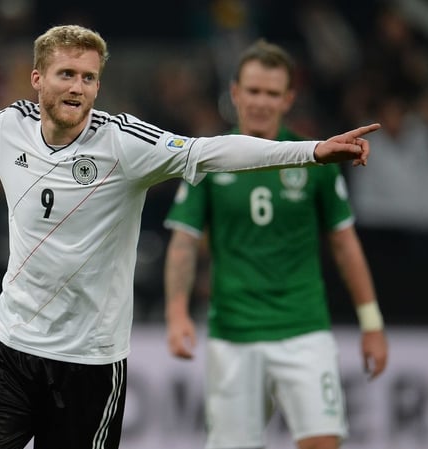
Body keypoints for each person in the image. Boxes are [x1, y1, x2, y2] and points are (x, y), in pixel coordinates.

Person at [0, 25, 379, 449]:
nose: (79, 87)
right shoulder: (9, 129)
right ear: (38, 79)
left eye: (89, 77)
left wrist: (311, 148)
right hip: (11, 353)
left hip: (90, 365)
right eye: (67, 74)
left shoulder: (125, 145)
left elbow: (209, 150)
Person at [162, 39, 389, 449]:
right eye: (253, 91)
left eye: (271, 93)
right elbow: (183, 242)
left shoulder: (317, 159)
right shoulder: (208, 159)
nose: (261, 102)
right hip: (234, 332)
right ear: (235, 93)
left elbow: (345, 244)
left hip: (303, 327)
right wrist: (177, 313)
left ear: (288, 99)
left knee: (323, 442)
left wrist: (371, 324)